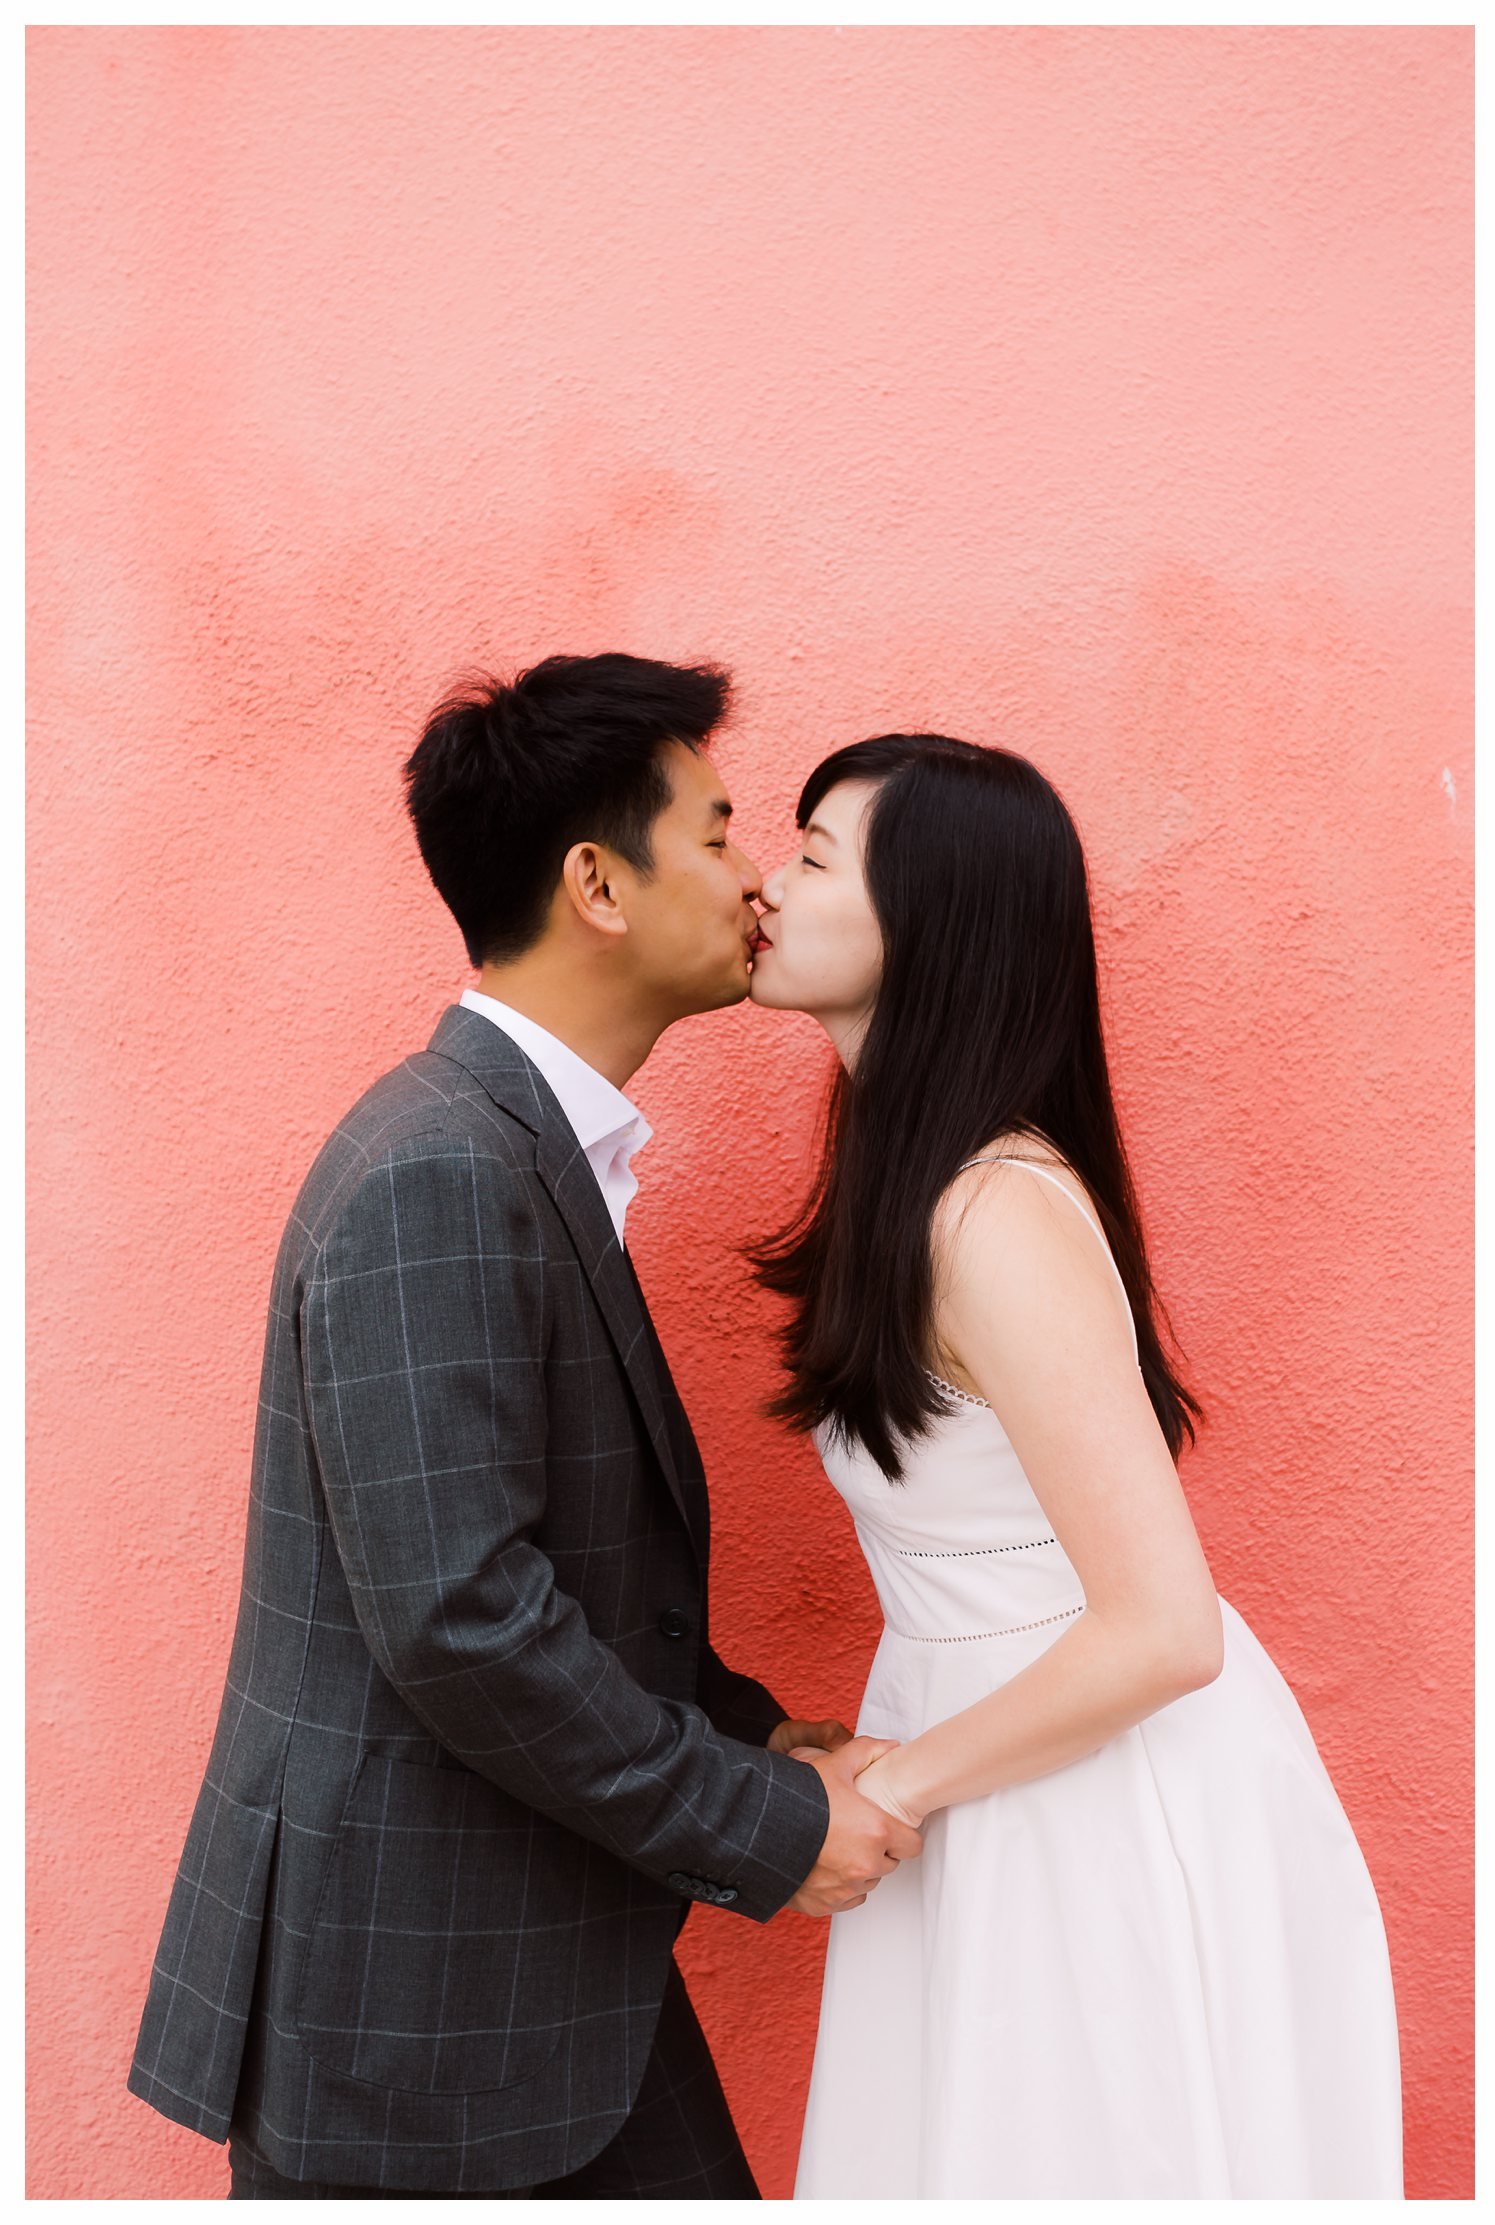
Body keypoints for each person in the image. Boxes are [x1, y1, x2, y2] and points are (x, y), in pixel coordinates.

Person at [127, 653, 922, 2200]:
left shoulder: (515, 1148)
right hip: (417, 2016)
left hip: (522, 1987)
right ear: (596, 884)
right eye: (715, 830)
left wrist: (753, 1722)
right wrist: (762, 1821)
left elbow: (538, 1563)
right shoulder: (441, 1168)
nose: (753, 874)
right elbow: (464, 1617)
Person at [747, 732, 1404, 2200]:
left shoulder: (991, 1211)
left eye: (809, 854)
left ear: (929, 922)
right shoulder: (913, 1191)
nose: (764, 885)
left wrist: (891, 1791)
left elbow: (1164, 1628)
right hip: (998, 1764)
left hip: (1083, 1797)